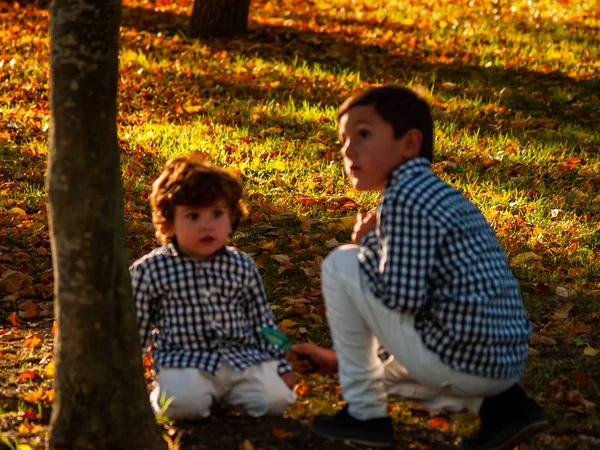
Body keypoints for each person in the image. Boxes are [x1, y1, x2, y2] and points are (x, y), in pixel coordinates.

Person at [287, 86, 548, 449]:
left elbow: (401, 299)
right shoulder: (440, 193)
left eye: (363, 134)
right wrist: (339, 361)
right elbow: (423, 303)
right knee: (386, 374)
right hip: (498, 365)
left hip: (462, 358)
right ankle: (506, 411)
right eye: (343, 139)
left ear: (409, 144)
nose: (348, 150)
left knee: (342, 262)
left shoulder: (404, 198)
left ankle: (365, 416)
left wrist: (367, 244)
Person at [130, 155, 296, 420]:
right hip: (184, 360)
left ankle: (230, 396)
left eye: (217, 214)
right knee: (184, 406)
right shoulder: (150, 269)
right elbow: (135, 327)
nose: (206, 225)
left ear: (231, 218)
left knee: (275, 401)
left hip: (241, 358)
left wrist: (281, 363)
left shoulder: (241, 265)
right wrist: (128, 375)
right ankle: (181, 396)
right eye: (193, 216)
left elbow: (262, 321)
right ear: (169, 223)